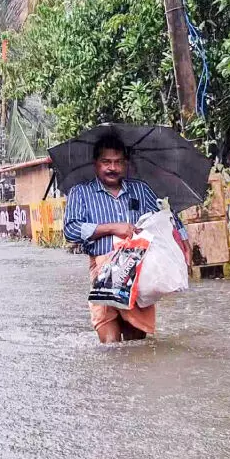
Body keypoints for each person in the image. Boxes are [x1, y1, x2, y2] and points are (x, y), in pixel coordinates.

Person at [64, 133, 192, 344]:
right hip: (102, 269)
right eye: (106, 162)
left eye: (118, 162)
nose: (112, 168)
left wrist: (183, 239)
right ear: (96, 164)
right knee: (110, 341)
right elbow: (71, 230)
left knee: (136, 341)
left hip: (138, 268)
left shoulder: (140, 190)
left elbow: (165, 214)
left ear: (126, 164)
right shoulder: (81, 193)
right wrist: (113, 228)